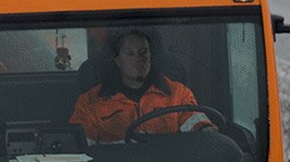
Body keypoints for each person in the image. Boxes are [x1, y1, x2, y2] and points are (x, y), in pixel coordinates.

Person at [69, 30, 214, 143]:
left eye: (144, 52)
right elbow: (80, 147)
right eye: (130, 54)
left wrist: (206, 131)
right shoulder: (90, 102)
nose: (139, 59)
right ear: (118, 61)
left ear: (151, 57)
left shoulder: (178, 93)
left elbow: (198, 126)